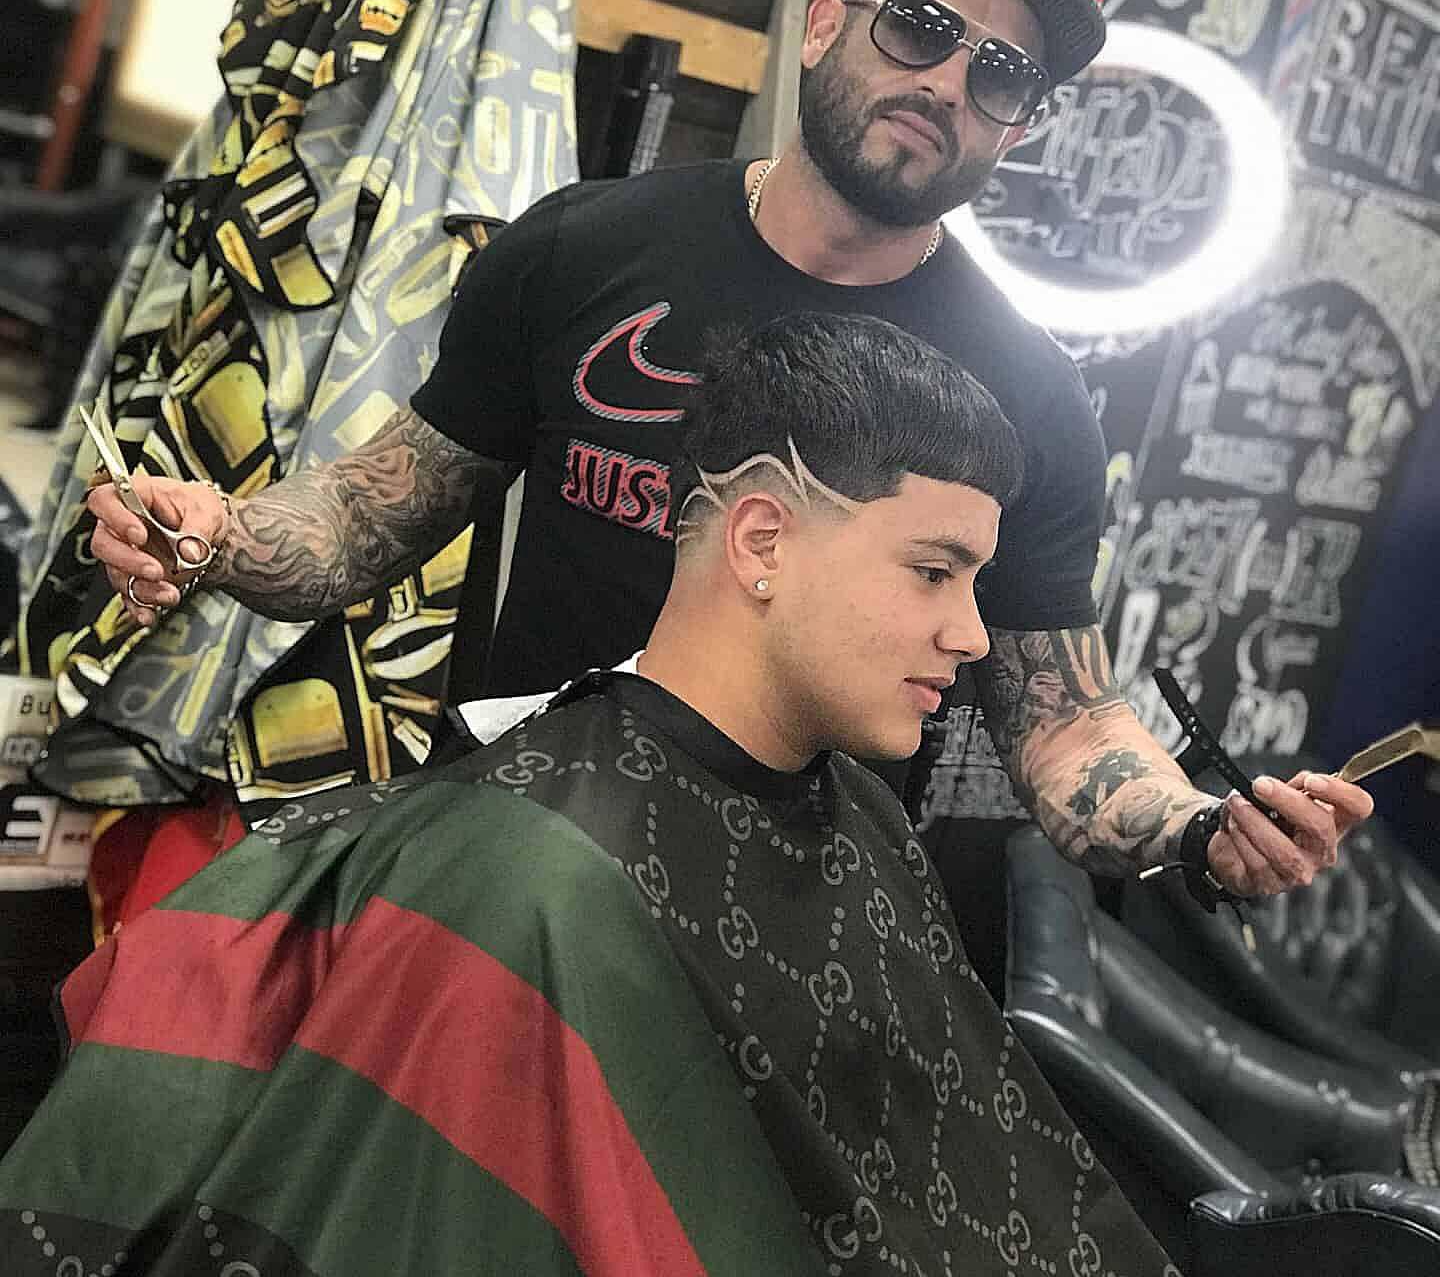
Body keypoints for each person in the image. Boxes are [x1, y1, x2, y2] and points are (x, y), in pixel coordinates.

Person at [87, 0, 1373, 967]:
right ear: (823, 26)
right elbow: (372, 515)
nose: (946, 82)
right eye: (920, 26)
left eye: (1001, 74)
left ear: (1020, 126)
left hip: (785, 922)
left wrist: (1199, 828)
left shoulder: (1027, 396)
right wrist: (216, 535)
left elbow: (1061, 716)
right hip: (509, 861)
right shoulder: (581, 250)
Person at [4, 313, 1182, 1275]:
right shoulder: (529, 886)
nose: (972, 632)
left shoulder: (860, 814)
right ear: (760, 540)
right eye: (934, 571)